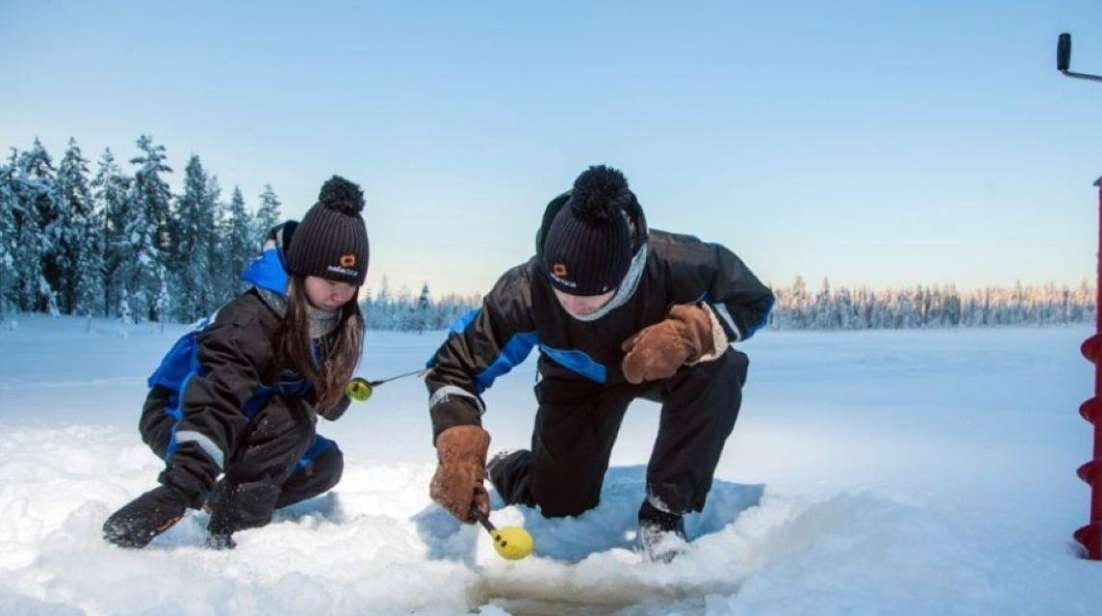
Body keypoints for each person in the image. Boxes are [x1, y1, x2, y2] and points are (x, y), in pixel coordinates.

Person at [425, 165, 773, 561]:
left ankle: (665, 512)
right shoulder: (524, 291)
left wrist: (688, 334)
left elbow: (754, 301)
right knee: (560, 504)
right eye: (562, 289)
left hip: (663, 367)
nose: (573, 305)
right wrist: (456, 443)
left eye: (593, 294)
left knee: (721, 368)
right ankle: (513, 467)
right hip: (577, 380)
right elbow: (452, 368)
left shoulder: (682, 262)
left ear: (626, 270)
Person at [102, 176, 369, 549]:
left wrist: (333, 390)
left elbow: (293, 380)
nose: (338, 291)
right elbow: (215, 400)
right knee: (292, 420)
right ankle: (232, 529)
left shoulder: (324, 319)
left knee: (323, 464)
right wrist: (181, 488)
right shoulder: (247, 324)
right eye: (327, 278)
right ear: (302, 268)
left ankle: (221, 502)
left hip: (250, 415)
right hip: (181, 414)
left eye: (349, 282)